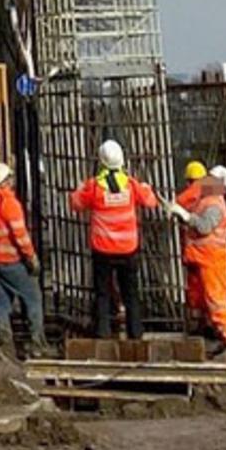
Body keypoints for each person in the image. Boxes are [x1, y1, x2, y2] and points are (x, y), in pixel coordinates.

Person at [69, 138, 163, 339]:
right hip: (128, 249)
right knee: (131, 294)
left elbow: (76, 204)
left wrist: (78, 189)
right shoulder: (130, 185)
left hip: (102, 249)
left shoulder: (94, 187)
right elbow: (151, 201)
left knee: (102, 293)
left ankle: (103, 332)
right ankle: (135, 333)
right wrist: (146, 187)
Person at [0, 161, 47, 357]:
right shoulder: (9, 203)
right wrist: (31, 256)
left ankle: (4, 340)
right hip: (11, 259)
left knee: (3, 299)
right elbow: (20, 234)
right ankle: (36, 344)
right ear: (5, 182)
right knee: (33, 297)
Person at [176, 163, 226, 353]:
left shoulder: (215, 205)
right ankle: (206, 330)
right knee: (200, 298)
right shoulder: (206, 200)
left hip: (212, 261)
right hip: (201, 258)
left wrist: (186, 217)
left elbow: (203, 227)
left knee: (215, 299)